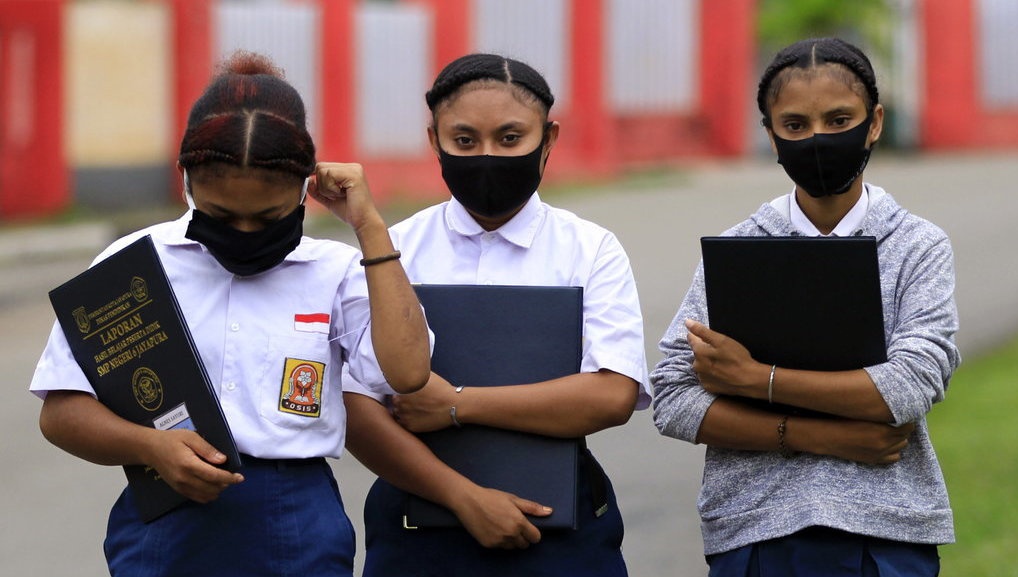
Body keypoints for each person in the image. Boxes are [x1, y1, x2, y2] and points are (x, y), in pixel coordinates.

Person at [29, 51, 431, 577]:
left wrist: (370, 227)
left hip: (298, 525)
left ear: (307, 186)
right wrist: (149, 445)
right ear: (186, 179)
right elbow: (60, 413)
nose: (244, 232)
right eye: (220, 214)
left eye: (268, 217)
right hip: (165, 519)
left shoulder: (338, 271)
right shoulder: (132, 267)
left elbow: (408, 372)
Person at [649, 37, 960, 576]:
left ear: (876, 121)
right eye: (795, 125)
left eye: (840, 120)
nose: (818, 139)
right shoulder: (738, 249)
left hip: (884, 531)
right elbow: (672, 397)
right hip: (754, 531)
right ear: (769, 134)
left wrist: (753, 378)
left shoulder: (917, 244)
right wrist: (821, 435)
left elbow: (909, 387)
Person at [342, 53, 649, 576]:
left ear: (548, 139)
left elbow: (612, 393)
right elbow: (356, 406)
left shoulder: (589, 248)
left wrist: (457, 405)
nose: (487, 156)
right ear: (433, 138)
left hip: (560, 527)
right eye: (464, 141)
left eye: (510, 139)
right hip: (416, 530)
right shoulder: (393, 250)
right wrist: (463, 497)